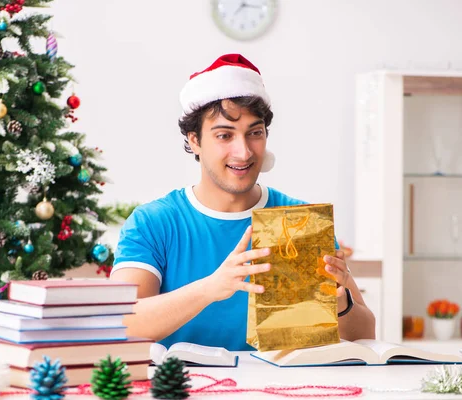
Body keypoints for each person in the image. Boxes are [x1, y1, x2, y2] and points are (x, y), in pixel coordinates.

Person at [110, 54, 375, 351]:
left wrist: (339, 302)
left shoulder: (300, 221)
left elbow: (364, 336)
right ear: (194, 140)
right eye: (225, 135)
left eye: (255, 133)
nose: (244, 152)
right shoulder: (154, 222)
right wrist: (212, 288)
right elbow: (124, 324)